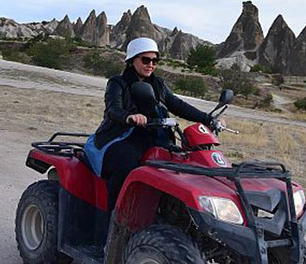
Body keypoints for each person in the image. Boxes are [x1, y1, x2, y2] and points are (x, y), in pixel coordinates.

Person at [84, 37, 217, 214]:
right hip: (122, 136)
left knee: (183, 164)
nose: (151, 65)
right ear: (132, 61)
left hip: (155, 137)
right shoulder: (118, 83)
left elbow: (177, 105)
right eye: (145, 60)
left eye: (155, 60)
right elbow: (112, 109)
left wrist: (208, 119)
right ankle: (115, 218)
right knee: (126, 166)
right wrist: (129, 117)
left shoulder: (158, 84)